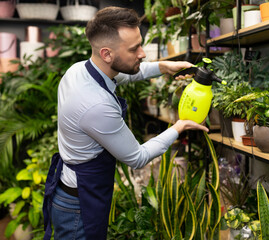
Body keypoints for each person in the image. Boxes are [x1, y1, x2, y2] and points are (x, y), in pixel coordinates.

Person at [42, 6, 208, 240]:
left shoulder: (80, 70)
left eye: (140, 44)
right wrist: (179, 126)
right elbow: (137, 158)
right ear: (107, 53)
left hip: (73, 190)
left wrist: (163, 67)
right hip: (78, 206)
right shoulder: (96, 105)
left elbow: (127, 73)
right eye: (134, 49)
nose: (142, 53)